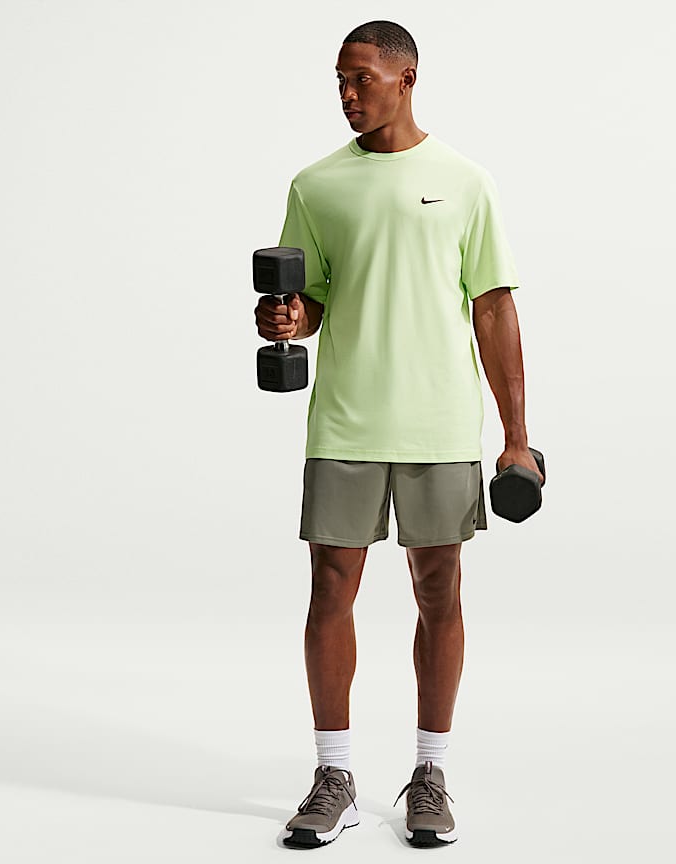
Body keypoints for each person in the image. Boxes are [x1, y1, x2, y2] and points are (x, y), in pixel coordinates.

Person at [254, 20, 542, 849]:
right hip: (345, 418)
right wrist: (288, 318)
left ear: (406, 78)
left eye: (362, 80)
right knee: (329, 591)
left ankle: (429, 774)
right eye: (339, 83)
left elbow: (494, 307)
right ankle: (334, 776)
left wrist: (517, 435)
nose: (348, 95)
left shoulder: (465, 182)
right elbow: (309, 300)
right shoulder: (315, 185)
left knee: (439, 591)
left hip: (439, 421)